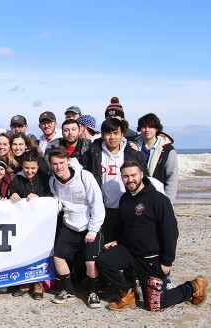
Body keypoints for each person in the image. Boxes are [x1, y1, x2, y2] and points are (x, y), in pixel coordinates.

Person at [96, 161, 207, 311]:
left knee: (155, 305)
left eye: (133, 175)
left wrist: (167, 261)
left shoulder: (158, 199)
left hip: (151, 259)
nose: (130, 179)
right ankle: (128, 294)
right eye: (125, 176)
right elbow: (125, 227)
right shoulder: (125, 199)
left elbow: (171, 231)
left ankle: (193, 287)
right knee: (104, 260)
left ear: (141, 174)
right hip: (130, 253)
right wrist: (117, 241)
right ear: (121, 178)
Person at [48, 147, 105, 308]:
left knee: (90, 262)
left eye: (61, 162)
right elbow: (60, 205)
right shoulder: (53, 181)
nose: (59, 167)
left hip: (89, 225)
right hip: (70, 224)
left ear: (68, 161)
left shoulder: (84, 176)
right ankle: (69, 291)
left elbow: (97, 204)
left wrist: (93, 229)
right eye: (55, 164)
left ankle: (93, 292)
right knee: (58, 257)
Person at [81, 118, 148, 245]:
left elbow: (144, 177)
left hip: (126, 208)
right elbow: (82, 175)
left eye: (115, 133)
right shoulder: (92, 152)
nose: (112, 137)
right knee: (102, 247)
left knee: (125, 244)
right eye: (108, 133)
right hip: (101, 209)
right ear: (102, 135)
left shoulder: (133, 154)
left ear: (122, 134)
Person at [8, 151, 52, 300]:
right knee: (23, 253)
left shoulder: (45, 179)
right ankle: (24, 282)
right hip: (23, 225)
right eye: (26, 168)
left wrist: (39, 199)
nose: (30, 171)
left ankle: (38, 283)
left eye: (33, 168)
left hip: (42, 225)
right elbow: (10, 195)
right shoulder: (17, 180)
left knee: (40, 253)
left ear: (38, 166)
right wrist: (12, 196)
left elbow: (52, 198)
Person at [134, 113, 178, 203]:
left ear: (156, 129)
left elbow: (172, 178)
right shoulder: (131, 147)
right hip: (135, 196)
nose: (147, 130)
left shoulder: (167, 149)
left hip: (158, 197)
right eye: (144, 126)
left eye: (151, 127)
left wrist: (168, 202)